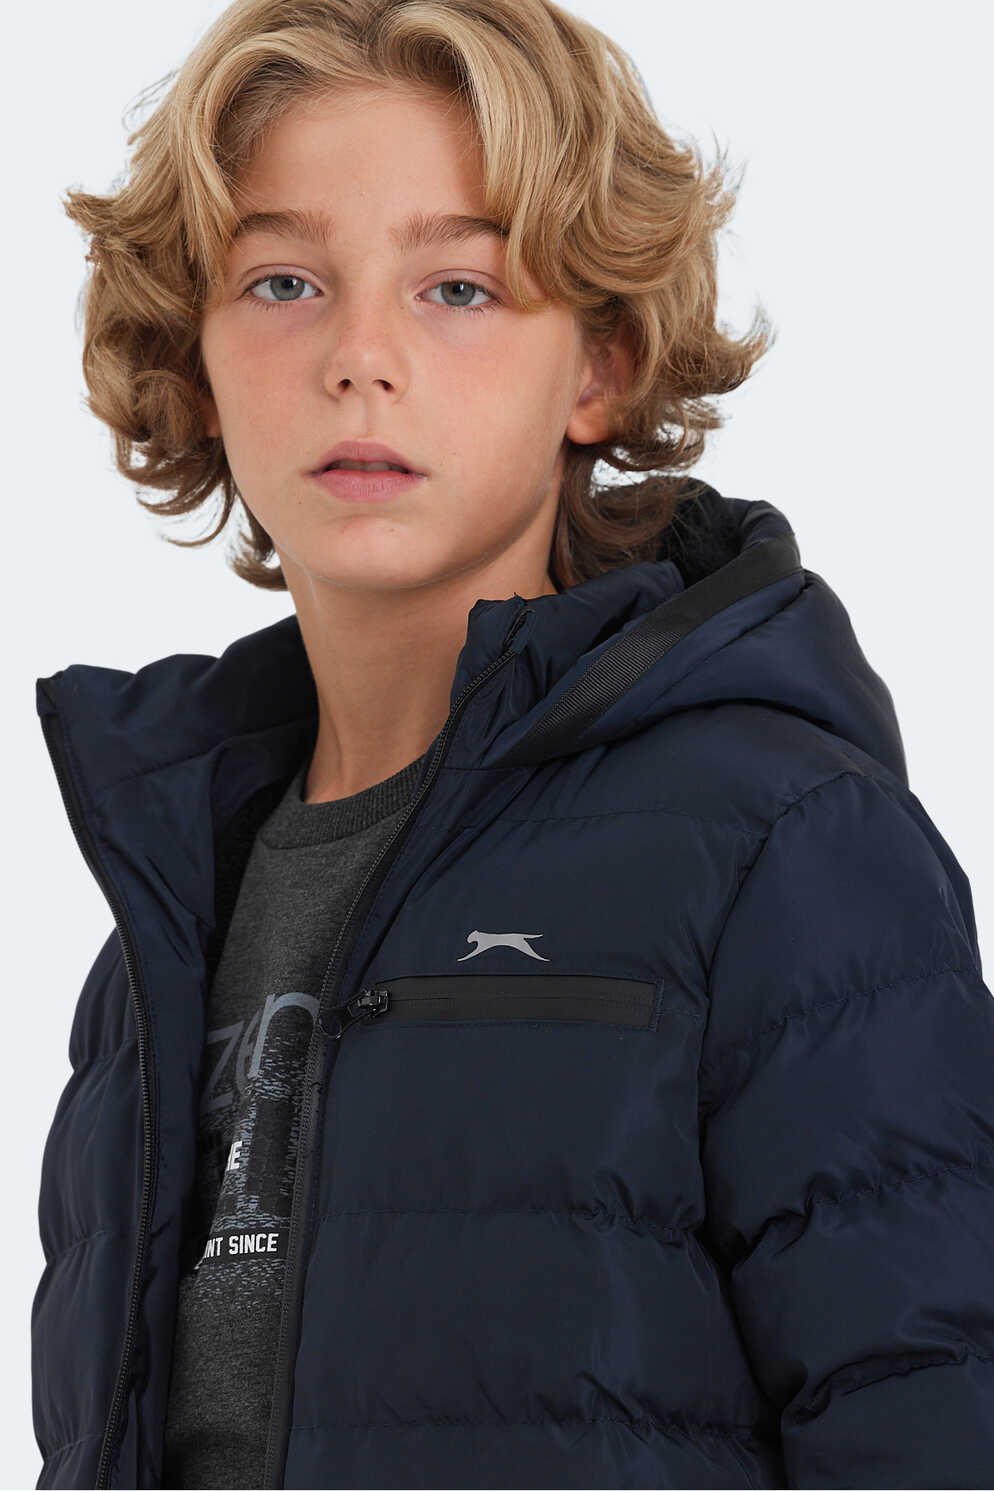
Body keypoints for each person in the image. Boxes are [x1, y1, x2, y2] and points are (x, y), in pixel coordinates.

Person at [31, 0, 994, 1487]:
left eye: (458, 289)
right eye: (283, 281)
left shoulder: (778, 845)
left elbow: (934, 1419)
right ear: (198, 357)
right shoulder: (163, 923)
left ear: (598, 365)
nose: (360, 356)